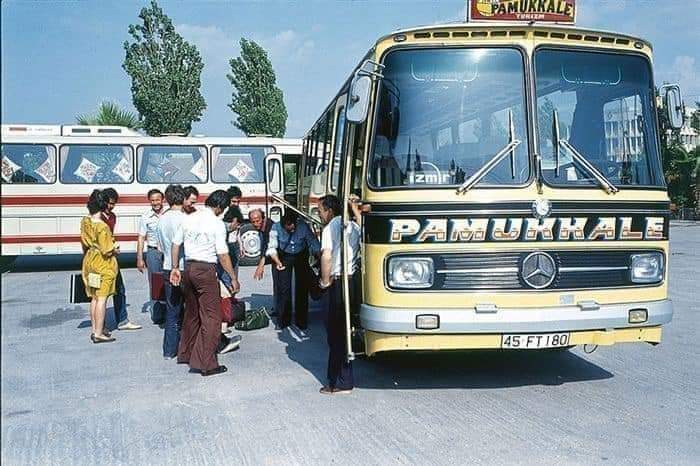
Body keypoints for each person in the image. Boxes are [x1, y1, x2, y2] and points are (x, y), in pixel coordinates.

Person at [170, 190, 238, 377]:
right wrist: (233, 277)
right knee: (212, 317)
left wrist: (175, 267)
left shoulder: (189, 218)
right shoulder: (217, 224)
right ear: (220, 207)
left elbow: (175, 245)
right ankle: (206, 363)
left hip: (189, 268)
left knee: (192, 314)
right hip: (206, 270)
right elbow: (222, 255)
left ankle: (186, 353)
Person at [317, 194, 361, 395]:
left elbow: (326, 256)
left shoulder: (329, 228)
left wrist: (325, 282)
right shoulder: (352, 226)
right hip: (351, 281)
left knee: (334, 334)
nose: (319, 215)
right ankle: (346, 378)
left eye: (320, 211)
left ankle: (338, 382)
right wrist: (356, 211)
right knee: (345, 332)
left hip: (336, 281)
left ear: (330, 210)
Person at [266, 210, 320, 330]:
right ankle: (284, 320)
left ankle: (302, 320)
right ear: (283, 224)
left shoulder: (303, 226)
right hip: (284, 255)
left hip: (301, 254)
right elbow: (272, 247)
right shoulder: (275, 228)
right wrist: (278, 262)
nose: (291, 229)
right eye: (288, 227)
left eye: (293, 226)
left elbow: (313, 242)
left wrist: (320, 257)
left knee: (302, 287)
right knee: (284, 287)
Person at [81, 190, 119, 343]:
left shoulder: (85, 221)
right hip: (103, 264)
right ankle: (99, 333)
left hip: (90, 261)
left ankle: (94, 328)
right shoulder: (102, 227)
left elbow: (84, 242)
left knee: (95, 297)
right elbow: (107, 249)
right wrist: (115, 249)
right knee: (102, 298)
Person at [100, 188, 141, 331]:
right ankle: (101, 325)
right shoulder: (96, 218)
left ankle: (122, 320)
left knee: (119, 289)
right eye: (109, 203)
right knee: (101, 293)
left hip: (112, 258)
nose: (110, 206)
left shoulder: (112, 217)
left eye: (113, 204)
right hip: (100, 260)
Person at [157, 184, 186, 359]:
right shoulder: (184, 219)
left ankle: (169, 350)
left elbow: (160, 246)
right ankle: (187, 348)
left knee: (172, 310)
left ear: (166, 199)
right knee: (190, 309)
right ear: (182, 198)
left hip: (167, 266)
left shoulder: (161, 219)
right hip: (182, 266)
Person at [137, 188, 166, 324]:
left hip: (168, 252)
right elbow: (141, 238)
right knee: (155, 283)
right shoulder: (145, 216)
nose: (155, 203)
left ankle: (170, 312)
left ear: (163, 200)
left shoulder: (169, 213)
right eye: (152, 200)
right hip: (153, 252)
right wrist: (140, 258)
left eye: (157, 200)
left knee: (170, 281)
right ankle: (157, 315)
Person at [248, 209, 273, 281]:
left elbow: (268, 246)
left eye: (257, 221)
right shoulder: (261, 228)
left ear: (263, 218)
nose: (255, 224)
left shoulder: (270, 227)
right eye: (253, 222)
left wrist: (261, 266)